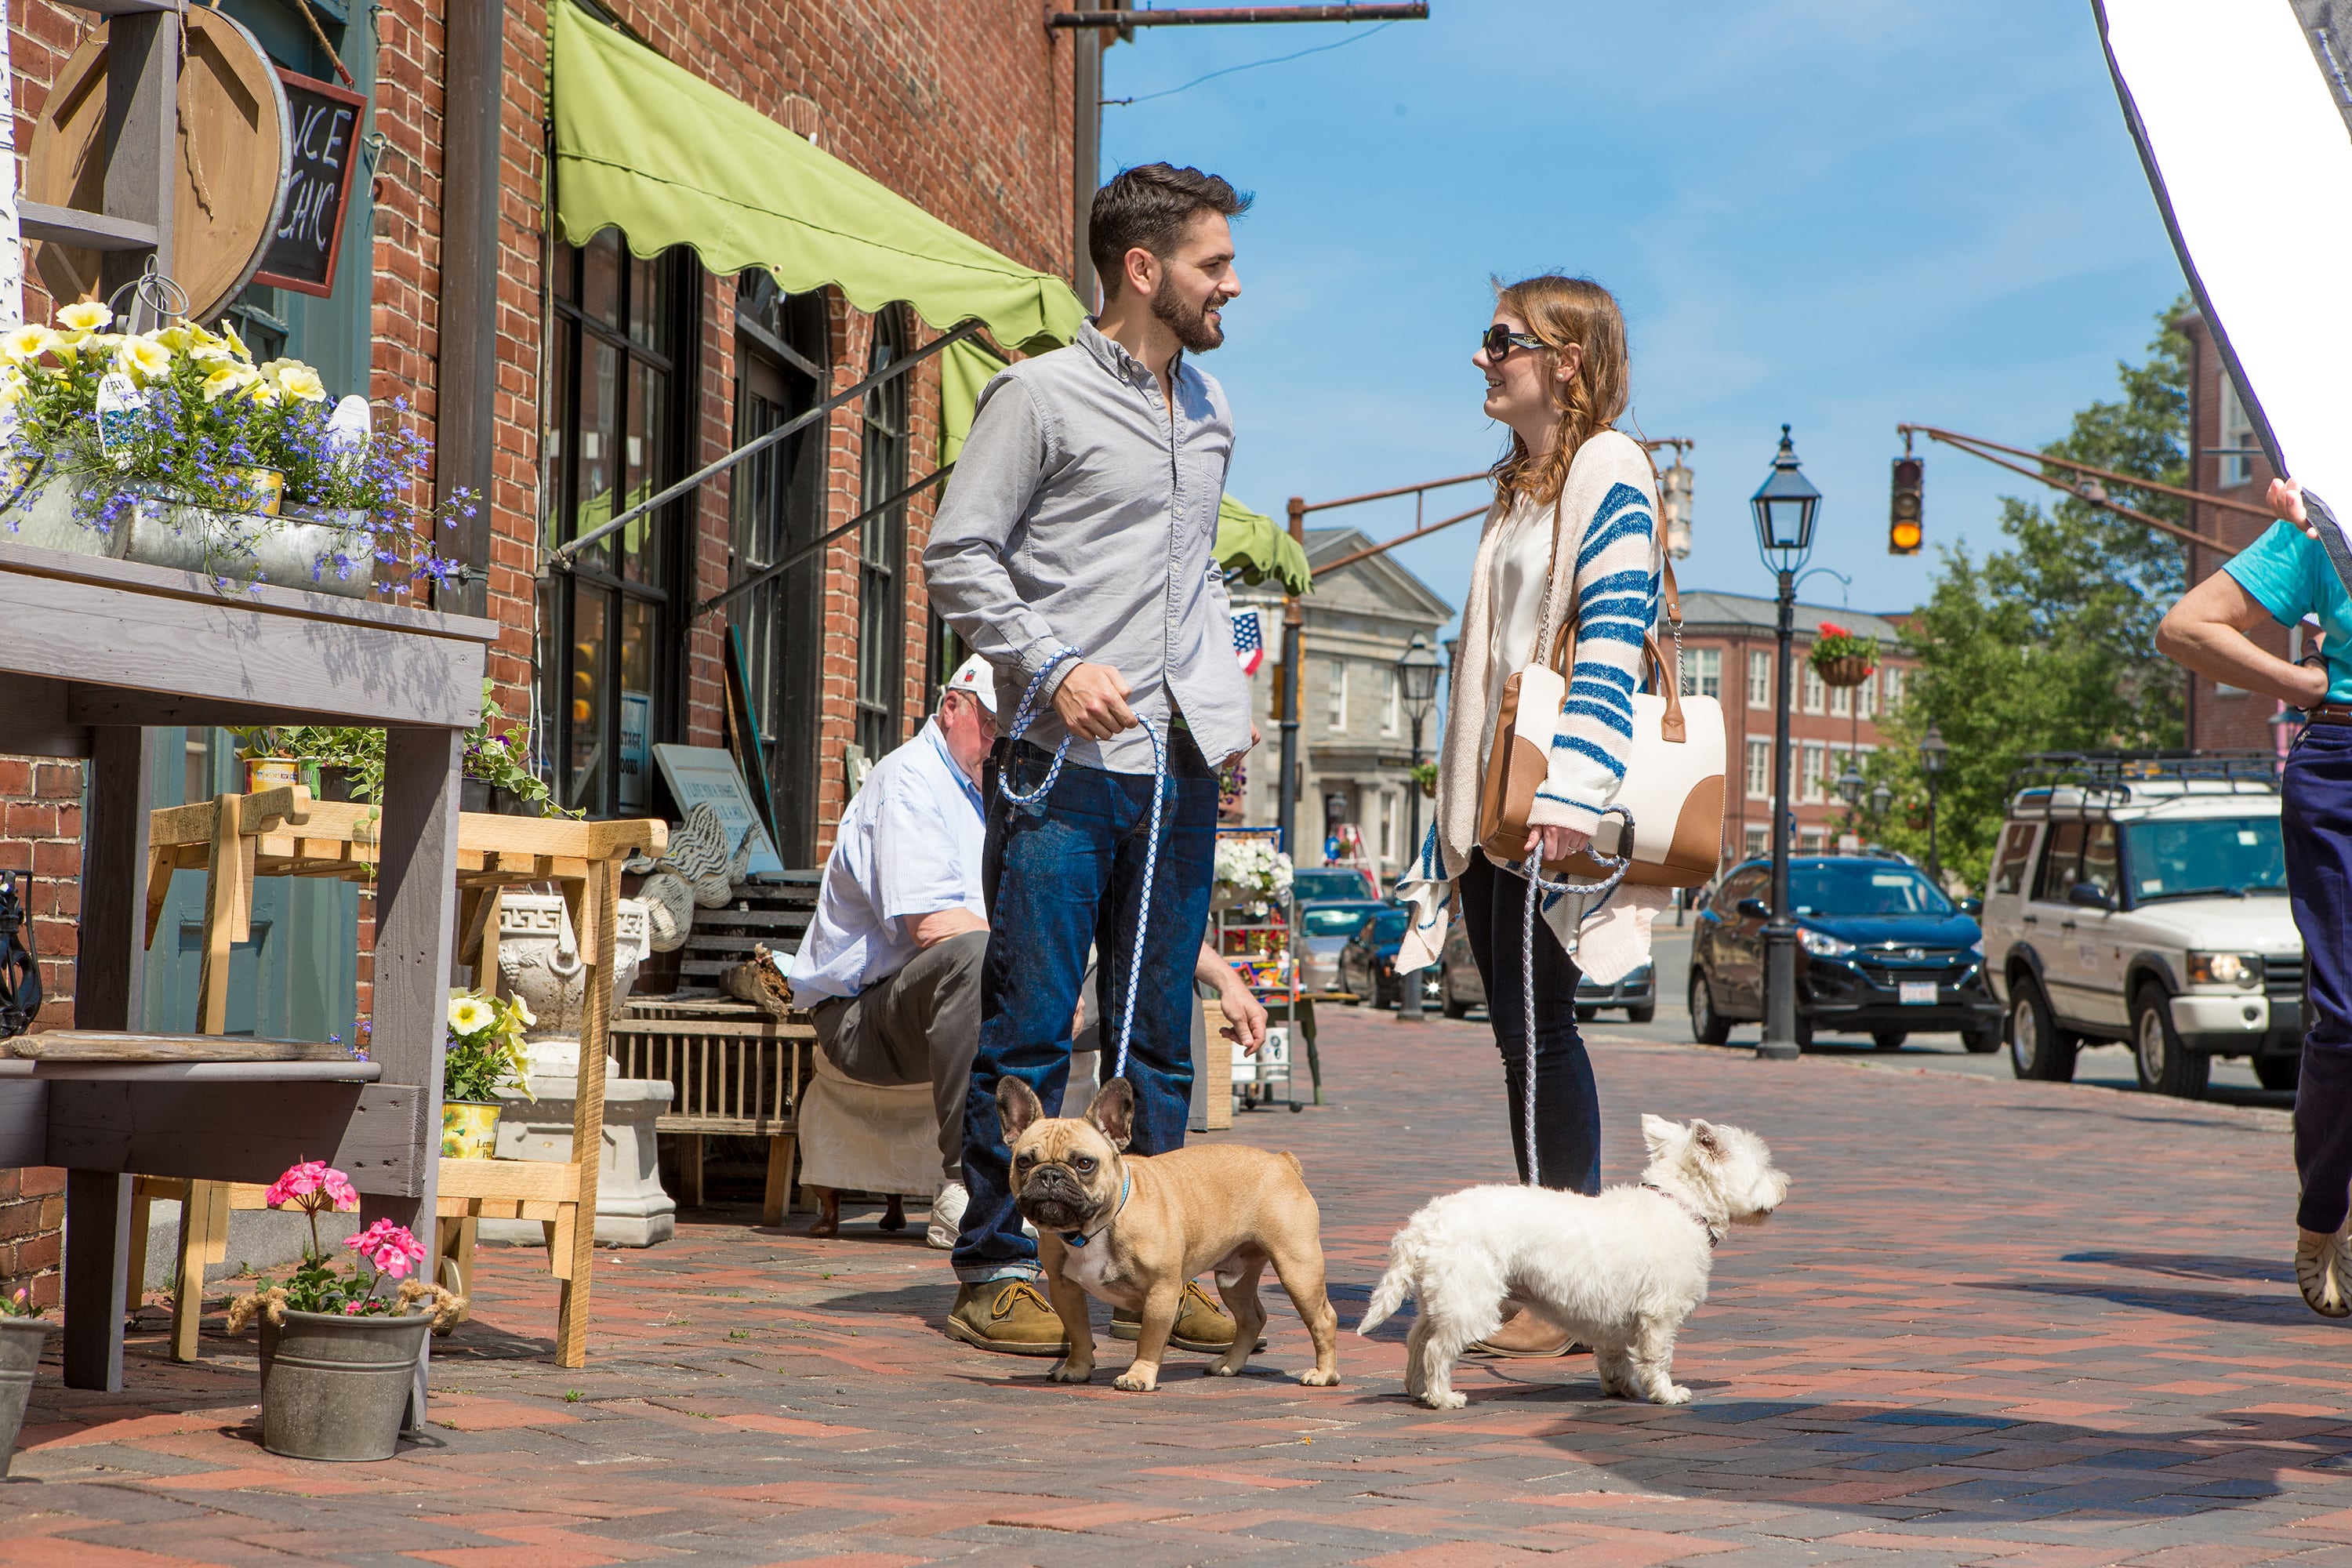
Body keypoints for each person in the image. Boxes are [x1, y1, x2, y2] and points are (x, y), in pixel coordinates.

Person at [923, 162, 1266, 1355]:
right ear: (1142, 269)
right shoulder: (1038, 397)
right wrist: (1056, 661)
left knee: (1157, 1029)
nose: (1233, 283)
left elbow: (1186, 577)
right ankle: (1001, 1264)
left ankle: (1153, 1263)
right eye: (1213, 264)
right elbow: (958, 555)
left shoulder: (1211, 411)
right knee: (1031, 1021)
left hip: (1179, 763)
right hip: (1060, 761)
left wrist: (1225, 681)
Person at [1414, 276, 1660, 1356]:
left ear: (1567, 361)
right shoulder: (1521, 487)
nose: (1482, 357)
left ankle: (1559, 1286)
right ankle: (1564, 1276)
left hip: (1543, 801)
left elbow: (1612, 629)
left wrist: (1573, 790)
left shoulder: (1609, 466)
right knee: (1526, 1036)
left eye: (1501, 339)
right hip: (1494, 805)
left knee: (1543, 1034)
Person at [2156, 474, 2352, 1319]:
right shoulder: (2323, 533)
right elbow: (2184, 627)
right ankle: (2322, 1213)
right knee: (2347, 1018)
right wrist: (2302, 684)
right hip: (2341, 767)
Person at [786, 656, 1004, 1247]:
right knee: (977, 955)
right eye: (985, 723)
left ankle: (1125, 1187)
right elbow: (933, 928)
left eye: (1001, 730)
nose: (993, 741)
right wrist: (1036, 967)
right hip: (860, 1018)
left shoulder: (980, 788)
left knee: (1117, 973)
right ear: (950, 707)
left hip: (922, 1002)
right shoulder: (909, 778)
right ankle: (967, 1188)